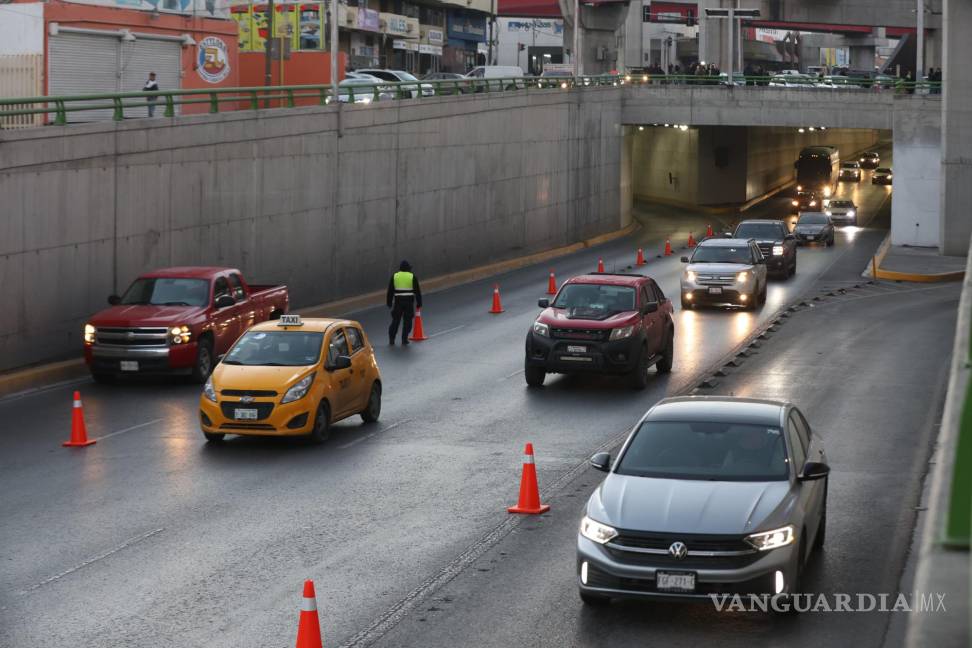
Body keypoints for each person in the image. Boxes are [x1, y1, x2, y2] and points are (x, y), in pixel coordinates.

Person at [386, 260, 422, 346]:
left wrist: (389, 302)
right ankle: (404, 339)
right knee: (407, 321)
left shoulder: (395, 276)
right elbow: (417, 291)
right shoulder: (412, 276)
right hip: (408, 302)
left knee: (395, 321)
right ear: (408, 268)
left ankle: (392, 339)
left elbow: (390, 291)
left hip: (398, 302)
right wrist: (419, 302)